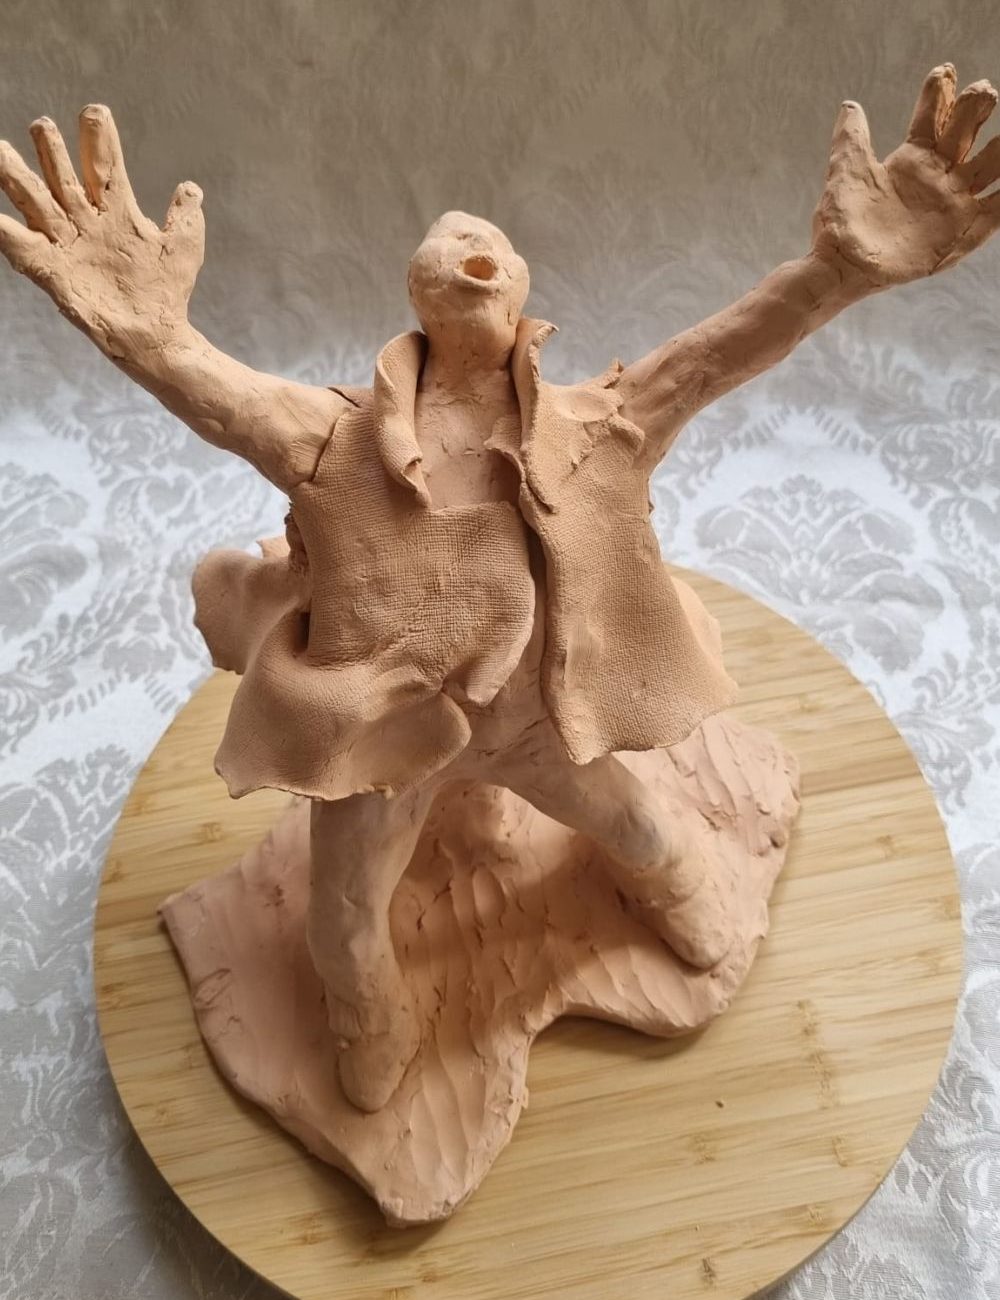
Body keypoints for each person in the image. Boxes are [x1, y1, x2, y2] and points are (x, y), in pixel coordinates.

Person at [2, 64, 997, 1110]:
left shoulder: (598, 424)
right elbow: (217, 394)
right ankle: (365, 1014)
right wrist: (148, 332)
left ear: (517, 288)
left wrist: (839, 270)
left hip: (538, 726)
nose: (470, 251)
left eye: (489, 246)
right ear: (419, 291)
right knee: (345, 920)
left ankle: (682, 888)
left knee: (643, 830)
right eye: (448, 245)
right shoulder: (333, 439)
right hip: (386, 745)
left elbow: (719, 353)